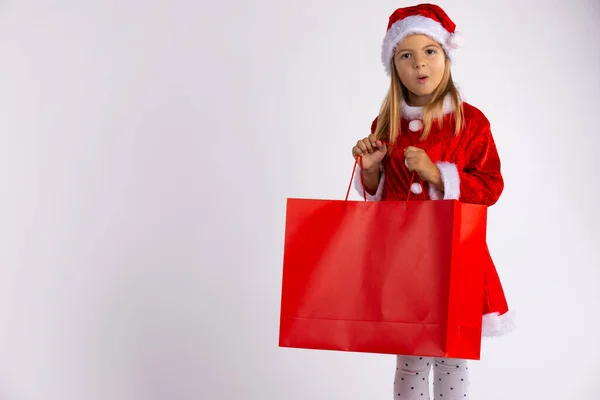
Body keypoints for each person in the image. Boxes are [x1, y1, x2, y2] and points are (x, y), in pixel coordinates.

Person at [350, 4, 514, 400]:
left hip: (453, 258)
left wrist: (439, 175)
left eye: (430, 51)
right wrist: (370, 170)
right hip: (403, 259)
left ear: (446, 55)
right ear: (394, 65)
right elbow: (383, 197)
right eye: (406, 55)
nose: (419, 64)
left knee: (452, 357)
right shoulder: (385, 123)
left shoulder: (470, 121)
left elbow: (491, 186)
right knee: (409, 359)